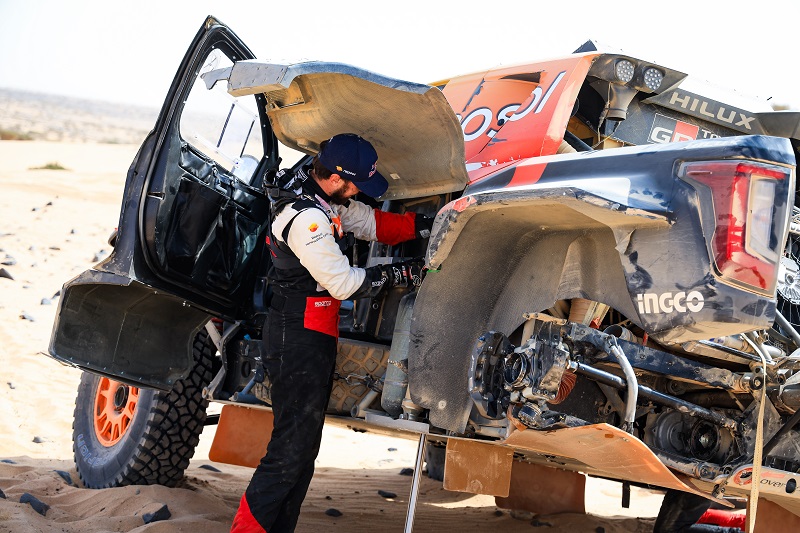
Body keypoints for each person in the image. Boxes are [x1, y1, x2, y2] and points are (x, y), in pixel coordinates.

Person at [231, 133, 431, 532]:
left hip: (312, 334)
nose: (359, 192)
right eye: (357, 184)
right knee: (289, 452)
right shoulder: (306, 219)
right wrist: (393, 273)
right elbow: (342, 284)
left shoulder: (322, 196)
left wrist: (424, 225)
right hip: (296, 338)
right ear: (338, 178)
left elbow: (369, 222)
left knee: (303, 452)